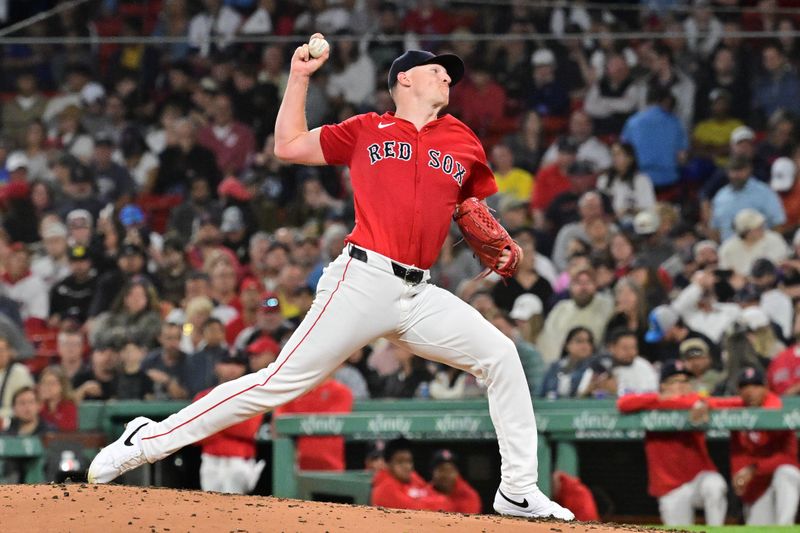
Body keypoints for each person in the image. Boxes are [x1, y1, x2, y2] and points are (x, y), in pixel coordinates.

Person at [88, 39, 574, 521]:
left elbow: (467, 204)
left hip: (419, 291)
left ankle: (517, 488)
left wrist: (488, 229)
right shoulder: (367, 129)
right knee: (276, 384)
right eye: (436, 70)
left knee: (502, 356)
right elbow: (288, 146)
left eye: (449, 73)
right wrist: (299, 76)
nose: (447, 77)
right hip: (362, 279)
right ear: (404, 78)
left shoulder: (462, 140)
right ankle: (143, 441)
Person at [617, 360, 729, 526]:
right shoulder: (654, 403)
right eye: (676, 381)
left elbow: (726, 403)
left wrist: (700, 403)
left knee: (715, 486)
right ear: (663, 386)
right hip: (669, 487)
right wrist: (661, 400)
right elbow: (623, 403)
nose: (682, 386)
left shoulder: (698, 402)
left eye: (685, 381)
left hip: (698, 478)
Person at [720, 367, 800, 525]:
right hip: (758, 484)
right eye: (745, 386)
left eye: (756, 386)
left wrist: (753, 468)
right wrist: (739, 473)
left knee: (788, 473)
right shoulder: (738, 413)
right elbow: (737, 451)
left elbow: (788, 457)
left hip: (776, 475)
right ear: (739, 391)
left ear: (766, 388)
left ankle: (786, 527)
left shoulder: (779, 412)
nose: (751, 391)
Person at [195, 351, 265, 494]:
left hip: (239, 462)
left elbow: (248, 430)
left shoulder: (253, 395)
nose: (232, 368)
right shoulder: (203, 396)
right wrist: (230, 420)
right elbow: (196, 435)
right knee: (209, 511)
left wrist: (212, 421)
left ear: (244, 368)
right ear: (216, 366)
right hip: (210, 461)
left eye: (237, 364)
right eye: (227, 363)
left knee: (236, 511)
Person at [273, 377, 353, 471]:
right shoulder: (291, 392)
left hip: (331, 468)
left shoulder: (341, 392)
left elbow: (335, 424)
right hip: (295, 468)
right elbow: (278, 426)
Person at [370, 437, 452, 511]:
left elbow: (445, 502)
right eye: (400, 462)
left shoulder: (413, 477)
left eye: (409, 461)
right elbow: (415, 510)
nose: (407, 466)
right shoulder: (385, 488)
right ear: (388, 464)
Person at [426, 449, 482, 514]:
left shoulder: (467, 494)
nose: (446, 475)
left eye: (450, 470)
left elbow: (470, 522)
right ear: (433, 472)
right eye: (442, 470)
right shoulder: (423, 494)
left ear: (457, 473)